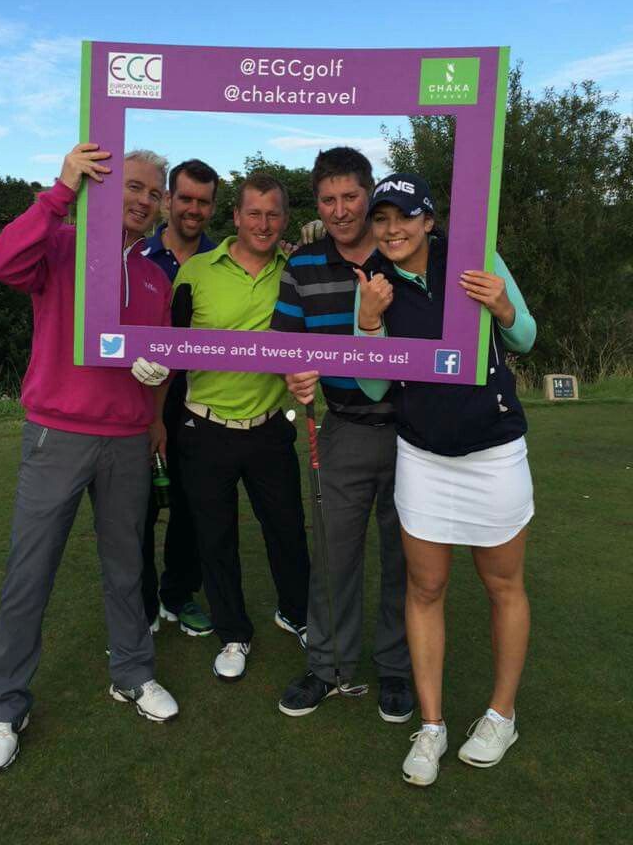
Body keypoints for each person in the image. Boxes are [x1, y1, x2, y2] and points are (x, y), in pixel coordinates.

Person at [0, 144, 178, 773]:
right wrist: (60, 189)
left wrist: (155, 378)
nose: (144, 200)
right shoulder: (62, 243)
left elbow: (157, 355)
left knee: (125, 568)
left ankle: (132, 672)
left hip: (123, 438)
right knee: (28, 573)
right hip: (56, 433)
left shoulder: (154, 275)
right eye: (134, 187)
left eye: (154, 192)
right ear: (107, 187)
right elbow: (3, 263)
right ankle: (6, 707)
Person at [354, 172, 536, 786]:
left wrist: (502, 307)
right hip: (424, 455)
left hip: (493, 451)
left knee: (503, 586)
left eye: (404, 217)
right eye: (381, 219)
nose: (392, 229)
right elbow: (374, 385)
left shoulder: (477, 256)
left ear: (429, 221)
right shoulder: (374, 280)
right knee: (425, 588)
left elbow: (526, 337)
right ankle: (431, 727)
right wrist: (369, 322)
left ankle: (501, 715)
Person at [139, 174, 310, 682]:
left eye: (273, 214)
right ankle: (233, 633)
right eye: (253, 213)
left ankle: (298, 614)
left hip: (269, 427)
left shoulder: (296, 270)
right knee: (215, 539)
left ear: (284, 218)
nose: (263, 224)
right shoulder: (195, 271)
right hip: (204, 428)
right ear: (235, 217)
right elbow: (171, 353)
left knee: (287, 532)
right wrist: (155, 418)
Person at [271, 147, 412, 721]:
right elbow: (286, 342)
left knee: (406, 557)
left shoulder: (404, 255)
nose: (340, 209)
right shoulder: (301, 264)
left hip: (415, 431)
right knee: (334, 556)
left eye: (350, 196)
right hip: (344, 426)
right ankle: (328, 667)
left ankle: (398, 669)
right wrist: (293, 370)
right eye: (328, 199)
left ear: (369, 193)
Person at [139, 159, 219, 637]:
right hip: (143, 395)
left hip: (200, 398)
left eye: (203, 201)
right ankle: (144, 599)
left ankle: (178, 594)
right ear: (168, 200)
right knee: (139, 506)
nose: (193, 209)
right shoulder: (139, 255)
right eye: (185, 198)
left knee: (192, 504)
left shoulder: (219, 257)